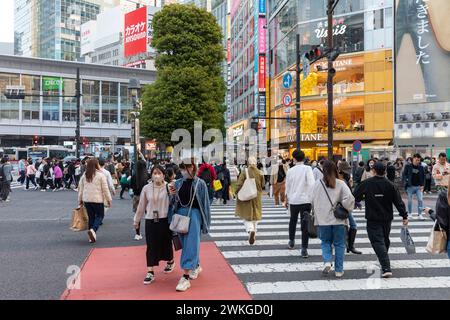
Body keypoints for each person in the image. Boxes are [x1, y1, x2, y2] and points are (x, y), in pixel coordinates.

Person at [354, 162, 408, 278]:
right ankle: (383, 260)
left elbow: (355, 196)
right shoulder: (390, 185)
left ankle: (386, 267)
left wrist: (363, 198)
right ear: (385, 171)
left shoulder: (367, 183)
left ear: (373, 171)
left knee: (378, 241)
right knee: (384, 240)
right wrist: (404, 215)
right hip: (387, 218)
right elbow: (398, 202)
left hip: (373, 217)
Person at [170, 157, 211, 292]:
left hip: (194, 216)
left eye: (185, 168)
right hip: (180, 215)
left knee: (190, 244)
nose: (183, 171)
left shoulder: (200, 184)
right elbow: (173, 202)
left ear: (192, 167)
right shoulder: (177, 183)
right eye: (181, 168)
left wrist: (206, 223)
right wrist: (173, 195)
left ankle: (185, 277)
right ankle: (196, 264)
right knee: (185, 243)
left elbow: (205, 204)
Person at [312, 160, 355, 278]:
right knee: (339, 244)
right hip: (338, 220)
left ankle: (327, 261)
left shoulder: (317, 184)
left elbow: (312, 200)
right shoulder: (340, 183)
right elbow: (349, 199)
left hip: (322, 220)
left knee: (325, 242)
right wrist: (345, 207)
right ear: (336, 170)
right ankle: (339, 270)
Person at [134, 165, 175, 284]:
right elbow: (141, 205)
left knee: (166, 243)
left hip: (165, 220)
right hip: (150, 220)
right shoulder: (146, 188)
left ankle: (170, 261)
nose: (156, 175)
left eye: (159, 173)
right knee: (151, 245)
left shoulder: (169, 186)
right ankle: (150, 271)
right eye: (154, 173)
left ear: (163, 174)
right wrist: (136, 221)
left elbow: (175, 201)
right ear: (151, 175)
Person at [284, 150, 315, 257]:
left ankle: (291, 241)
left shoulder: (290, 171)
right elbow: (312, 184)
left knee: (293, 220)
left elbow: (287, 186)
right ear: (304, 158)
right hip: (306, 200)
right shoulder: (308, 169)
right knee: (305, 224)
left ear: (294, 159)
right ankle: (304, 249)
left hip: (293, 200)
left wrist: (286, 199)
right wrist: (312, 199)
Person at [78, 158, 112, 243]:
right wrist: (109, 199)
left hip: (87, 200)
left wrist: (80, 200)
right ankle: (93, 230)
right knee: (100, 215)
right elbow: (105, 189)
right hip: (98, 199)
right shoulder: (101, 175)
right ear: (97, 165)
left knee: (91, 217)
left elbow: (80, 188)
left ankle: (91, 237)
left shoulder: (85, 175)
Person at [235, 156, 264, 245]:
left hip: (246, 195)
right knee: (255, 215)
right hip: (257, 196)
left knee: (246, 216)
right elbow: (262, 185)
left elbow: (239, 184)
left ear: (248, 163)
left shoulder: (245, 172)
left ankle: (250, 230)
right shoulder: (260, 172)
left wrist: (236, 192)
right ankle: (254, 232)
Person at [338, 161, 362, 255]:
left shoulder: (345, 179)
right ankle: (350, 246)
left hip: (345, 205)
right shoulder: (340, 180)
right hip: (343, 206)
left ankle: (349, 246)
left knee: (349, 226)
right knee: (352, 225)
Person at [130, 160, 149, 241]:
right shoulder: (147, 176)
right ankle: (149, 232)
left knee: (138, 216)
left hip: (137, 197)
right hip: (147, 197)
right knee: (148, 215)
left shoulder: (134, 176)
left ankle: (137, 234)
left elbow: (131, 186)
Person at [403, 153, 425, 220]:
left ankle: (420, 214)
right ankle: (409, 214)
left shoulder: (421, 167)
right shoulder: (408, 166)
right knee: (409, 200)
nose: (417, 161)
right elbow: (404, 175)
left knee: (420, 200)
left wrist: (422, 185)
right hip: (410, 186)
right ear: (413, 159)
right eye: (416, 160)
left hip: (418, 186)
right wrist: (406, 181)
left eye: (419, 160)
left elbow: (423, 177)